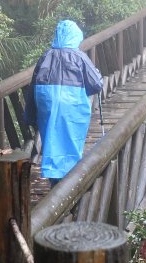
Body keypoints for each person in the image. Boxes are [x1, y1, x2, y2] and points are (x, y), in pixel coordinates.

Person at [24, 20, 103, 186]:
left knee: (52, 141)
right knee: (71, 141)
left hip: (47, 104)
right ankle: (70, 185)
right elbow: (96, 84)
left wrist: (30, 115)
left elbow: (32, 85)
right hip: (72, 107)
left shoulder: (46, 56)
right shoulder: (79, 56)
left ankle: (55, 183)